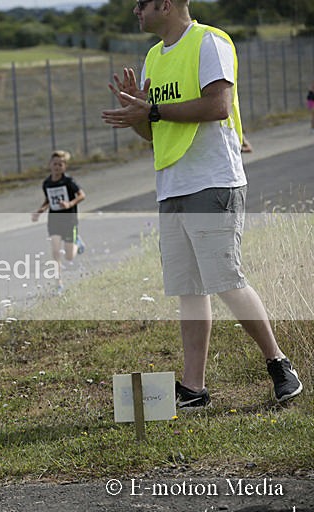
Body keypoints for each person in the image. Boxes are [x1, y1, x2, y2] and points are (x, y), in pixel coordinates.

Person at [101, 0, 302, 409]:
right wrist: (138, 112)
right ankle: (194, 388)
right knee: (188, 290)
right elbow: (153, 133)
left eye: (141, 4)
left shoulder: (209, 42)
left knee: (226, 280)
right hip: (172, 185)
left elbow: (218, 106)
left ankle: (280, 365)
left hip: (213, 181)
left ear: (165, 4)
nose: (135, 11)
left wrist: (153, 108)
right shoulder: (153, 56)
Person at [31, 150, 86, 292]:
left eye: (60, 165)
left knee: (69, 257)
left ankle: (76, 241)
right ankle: (59, 283)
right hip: (54, 220)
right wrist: (40, 210)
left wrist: (70, 204)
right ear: (50, 165)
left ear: (64, 167)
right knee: (55, 252)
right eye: (55, 164)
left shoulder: (69, 181)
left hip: (69, 220)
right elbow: (48, 200)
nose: (57, 167)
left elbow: (81, 195)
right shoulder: (47, 183)